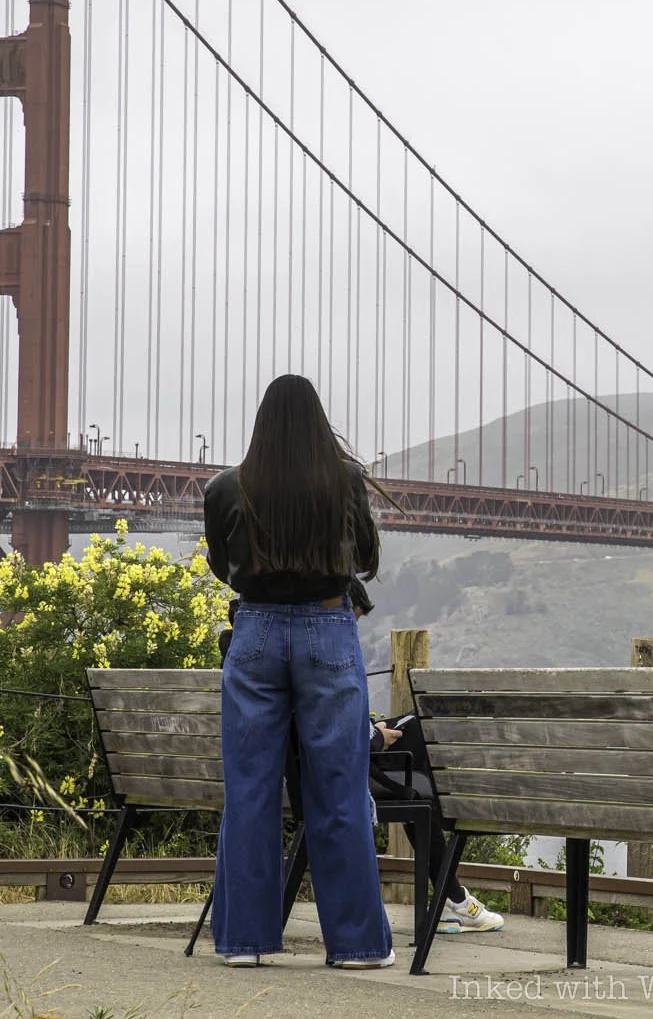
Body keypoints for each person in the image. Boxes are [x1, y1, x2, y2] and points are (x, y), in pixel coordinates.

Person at [204, 375, 394, 969]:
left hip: (255, 632)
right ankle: (358, 946)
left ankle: (245, 943)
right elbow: (364, 558)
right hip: (327, 629)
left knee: (250, 789)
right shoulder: (344, 482)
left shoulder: (225, 488)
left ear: (261, 424)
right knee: (338, 789)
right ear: (318, 423)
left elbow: (220, 564)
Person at [367, 713, 506, 933]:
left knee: (416, 726)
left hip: (320, 768)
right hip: (348, 770)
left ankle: (452, 899)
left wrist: (374, 731)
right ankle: (453, 899)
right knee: (420, 727)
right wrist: (375, 736)